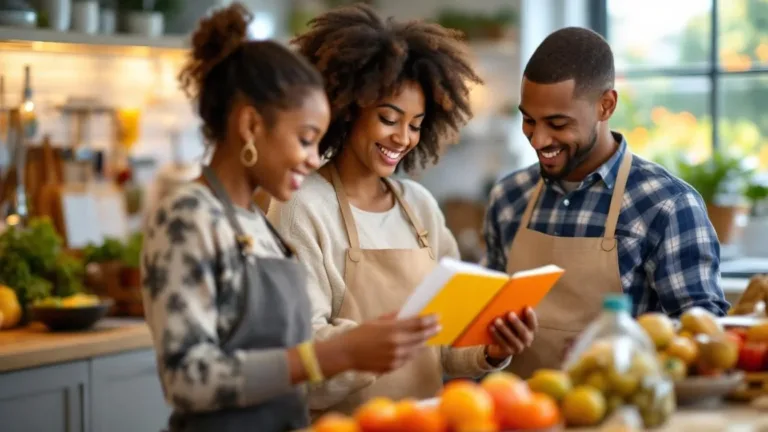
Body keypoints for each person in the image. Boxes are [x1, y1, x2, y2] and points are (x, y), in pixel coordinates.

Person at [140, 4, 442, 432]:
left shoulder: (257, 226)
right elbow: (187, 380)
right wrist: (337, 354)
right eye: (304, 139)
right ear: (250, 126)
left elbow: (289, 369)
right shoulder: (187, 216)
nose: (314, 159)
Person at [267, 3, 538, 417]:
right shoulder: (300, 207)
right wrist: (374, 347)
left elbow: (444, 345)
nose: (403, 138)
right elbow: (298, 361)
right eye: (389, 118)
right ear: (346, 108)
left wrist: (490, 348)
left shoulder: (419, 207)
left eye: (415, 124)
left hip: (425, 422)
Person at [482, 26, 730, 379]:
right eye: (529, 120)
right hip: (519, 414)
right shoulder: (508, 197)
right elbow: (485, 322)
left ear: (606, 105)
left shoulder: (667, 205)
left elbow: (702, 340)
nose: (538, 139)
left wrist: (619, 350)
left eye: (557, 123)